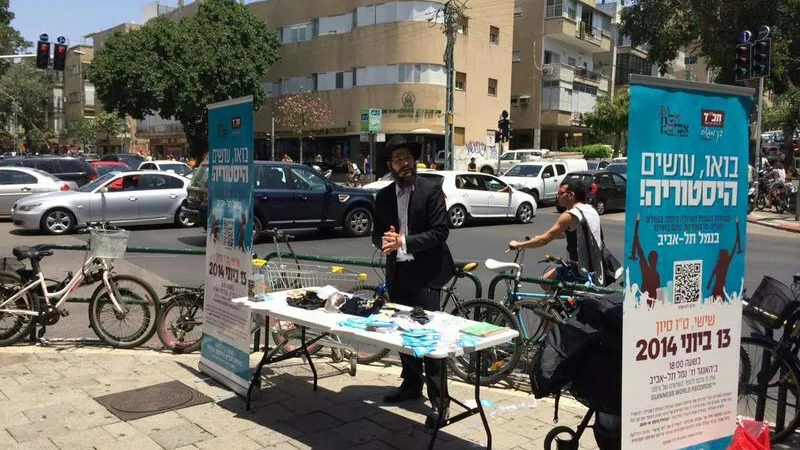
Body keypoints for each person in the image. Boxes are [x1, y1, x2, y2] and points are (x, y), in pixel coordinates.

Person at [372, 134, 454, 427]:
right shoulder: (383, 197)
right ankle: (410, 385)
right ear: (390, 165)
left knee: (429, 338)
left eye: (407, 157)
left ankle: (440, 402)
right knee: (404, 335)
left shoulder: (431, 191)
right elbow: (377, 233)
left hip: (427, 275)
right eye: (398, 159)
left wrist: (404, 241)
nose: (404, 163)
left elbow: (440, 232)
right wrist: (385, 241)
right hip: (399, 274)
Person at [508, 178, 603, 287]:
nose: (558, 196)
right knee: (545, 280)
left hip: (579, 269)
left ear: (570, 195)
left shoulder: (570, 215)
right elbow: (574, 233)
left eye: (560, 192)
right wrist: (547, 236)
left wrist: (518, 244)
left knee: (546, 283)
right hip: (595, 265)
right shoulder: (590, 209)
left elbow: (543, 241)